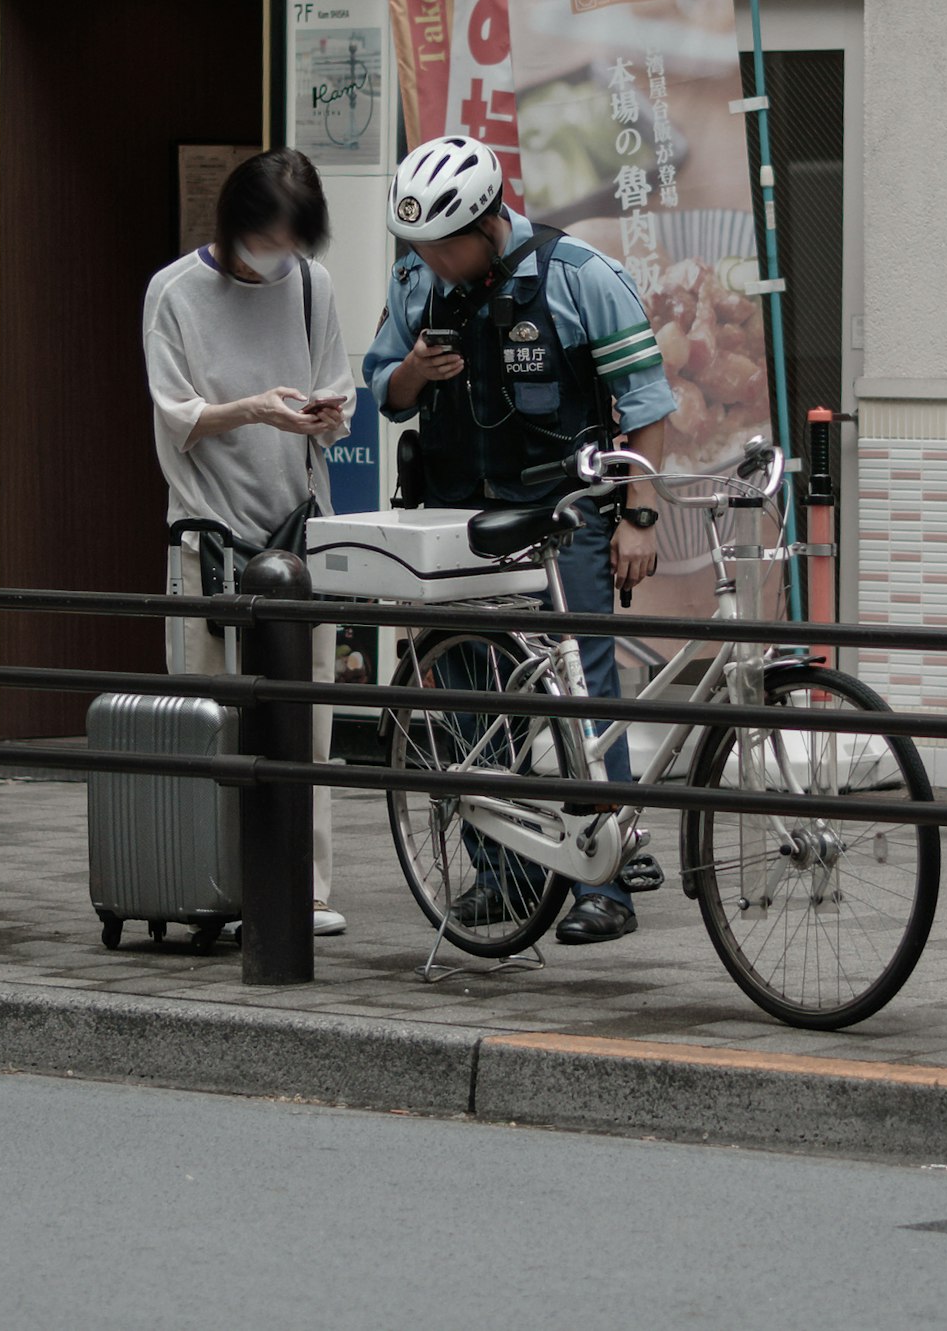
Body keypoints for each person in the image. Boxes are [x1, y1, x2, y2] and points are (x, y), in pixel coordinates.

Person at [356, 133, 676, 945]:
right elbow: (382, 390)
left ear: (489, 222)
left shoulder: (580, 278)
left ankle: (605, 881)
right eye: (417, 245)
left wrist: (638, 514)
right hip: (455, 518)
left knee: (581, 694)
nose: (428, 259)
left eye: (442, 244)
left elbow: (645, 402)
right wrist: (415, 376)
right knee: (470, 702)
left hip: (563, 516)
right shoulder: (412, 283)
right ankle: (504, 880)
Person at [140, 148, 354, 937]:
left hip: (298, 535)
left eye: (296, 241)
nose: (282, 257)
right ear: (235, 225)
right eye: (271, 239)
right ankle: (213, 888)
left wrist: (329, 415)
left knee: (309, 724)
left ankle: (306, 889)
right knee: (213, 718)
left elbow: (342, 389)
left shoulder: (311, 284)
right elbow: (178, 416)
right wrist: (254, 409)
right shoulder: (175, 292)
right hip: (208, 532)